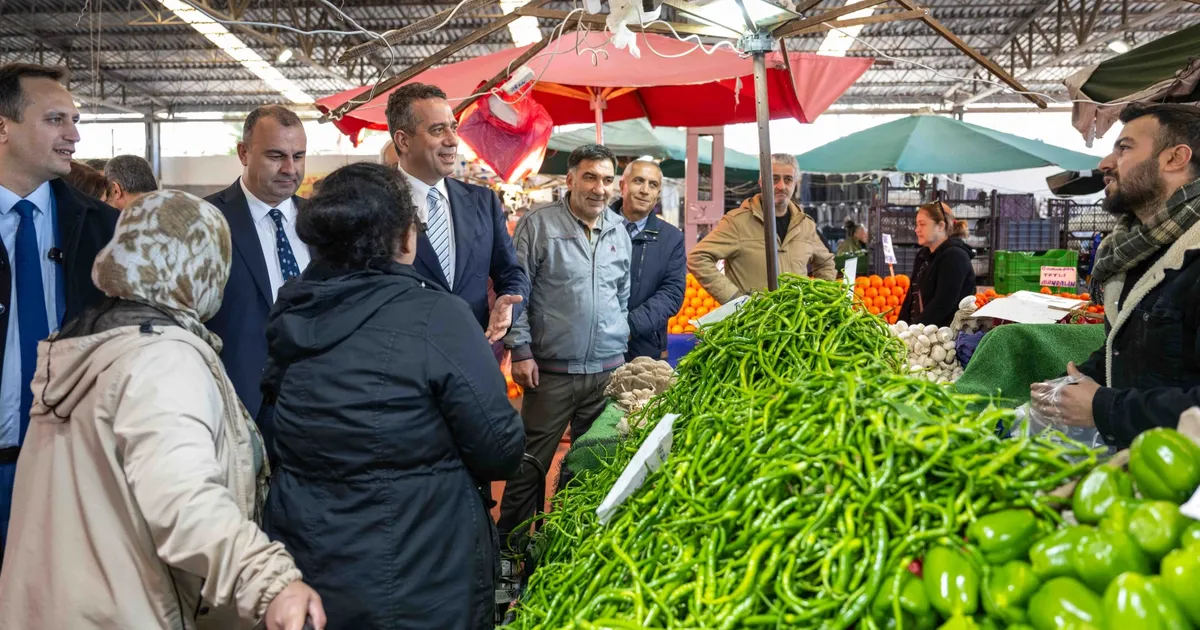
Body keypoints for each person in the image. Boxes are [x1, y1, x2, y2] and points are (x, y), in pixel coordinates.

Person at [0, 190, 325, 630]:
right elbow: (183, 499)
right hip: (130, 611)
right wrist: (271, 581)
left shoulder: (87, 344)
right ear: (200, 267)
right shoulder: (160, 361)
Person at [261, 162, 524, 630]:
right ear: (405, 239)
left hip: (309, 566)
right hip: (421, 572)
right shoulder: (437, 316)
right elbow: (499, 449)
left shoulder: (292, 308)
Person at [1030, 103, 1200, 448]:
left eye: (1124, 148)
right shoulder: (1137, 251)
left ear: (1175, 159)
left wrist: (1103, 408)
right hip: (1136, 464)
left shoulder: (1192, 256)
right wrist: (1070, 385)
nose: (1105, 164)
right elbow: (1133, 353)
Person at [0, 63, 117, 550]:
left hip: (70, 465)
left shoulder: (105, 230)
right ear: (2, 126)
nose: (74, 135)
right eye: (55, 120)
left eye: (74, 120)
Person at [499, 144, 631, 546]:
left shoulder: (618, 229)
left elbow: (621, 295)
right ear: (570, 179)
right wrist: (520, 350)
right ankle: (509, 551)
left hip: (606, 372)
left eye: (607, 180)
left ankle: (562, 545)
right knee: (530, 465)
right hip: (551, 372)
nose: (599, 188)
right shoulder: (539, 225)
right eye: (590, 177)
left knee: (588, 465)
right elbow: (517, 291)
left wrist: (618, 345)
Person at [385, 83, 528, 352]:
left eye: (453, 127)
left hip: (475, 355)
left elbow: (511, 271)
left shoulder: (482, 202)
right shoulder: (376, 205)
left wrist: (509, 303)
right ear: (403, 141)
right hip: (404, 364)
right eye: (438, 130)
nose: (452, 139)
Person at [205, 105, 309, 464]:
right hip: (238, 406)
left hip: (320, 403)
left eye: (298, 156)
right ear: (244, 153)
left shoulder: (325, 221)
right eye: (276, 156)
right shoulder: (205, 220)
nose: (290, 169)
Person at [687, 153, 836, 304]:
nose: (781, 186)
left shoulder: (805, 225)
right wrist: (734, 299)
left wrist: (819, 300)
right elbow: (698, 257)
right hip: (753, 324)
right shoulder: (737, 222)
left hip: (796, 325)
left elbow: (826, 264)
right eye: (774, 179)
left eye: (788, 179)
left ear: (795, 183)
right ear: (761, 182)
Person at [611, 159, 685, 360]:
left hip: (644, 349)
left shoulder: (671, 238)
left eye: (653, 185)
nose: (645, 190)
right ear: (622, 185)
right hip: (592, 345)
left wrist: (629, 326)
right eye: (638, 181)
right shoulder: (598, 227)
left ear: (658, 193)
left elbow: (672, 293)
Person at [896, 201, 975, 327]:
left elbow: (942, 304)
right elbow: (911, 296)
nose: (917, 229)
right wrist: (898, 328)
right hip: (921, 334)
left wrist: (913, 330)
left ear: (941, 226)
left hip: (945, 338)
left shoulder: (955, 257)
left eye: (922, 224)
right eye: (917, 224)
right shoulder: (923, 255)